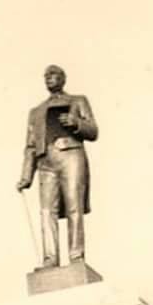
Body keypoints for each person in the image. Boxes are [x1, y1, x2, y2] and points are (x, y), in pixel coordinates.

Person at [16, 64, 97, 267]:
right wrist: (26, 176)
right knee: (46, 211)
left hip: (71, 155)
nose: (48, 78)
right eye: (46, 76)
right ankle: (49, 259)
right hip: (46, 162)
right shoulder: (36, 112)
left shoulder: (77, 101)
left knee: (73, 206)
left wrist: (76, 122)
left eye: (53, 75)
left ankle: (76, 256)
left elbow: (93, 131)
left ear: (63, 78)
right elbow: (30, 146)